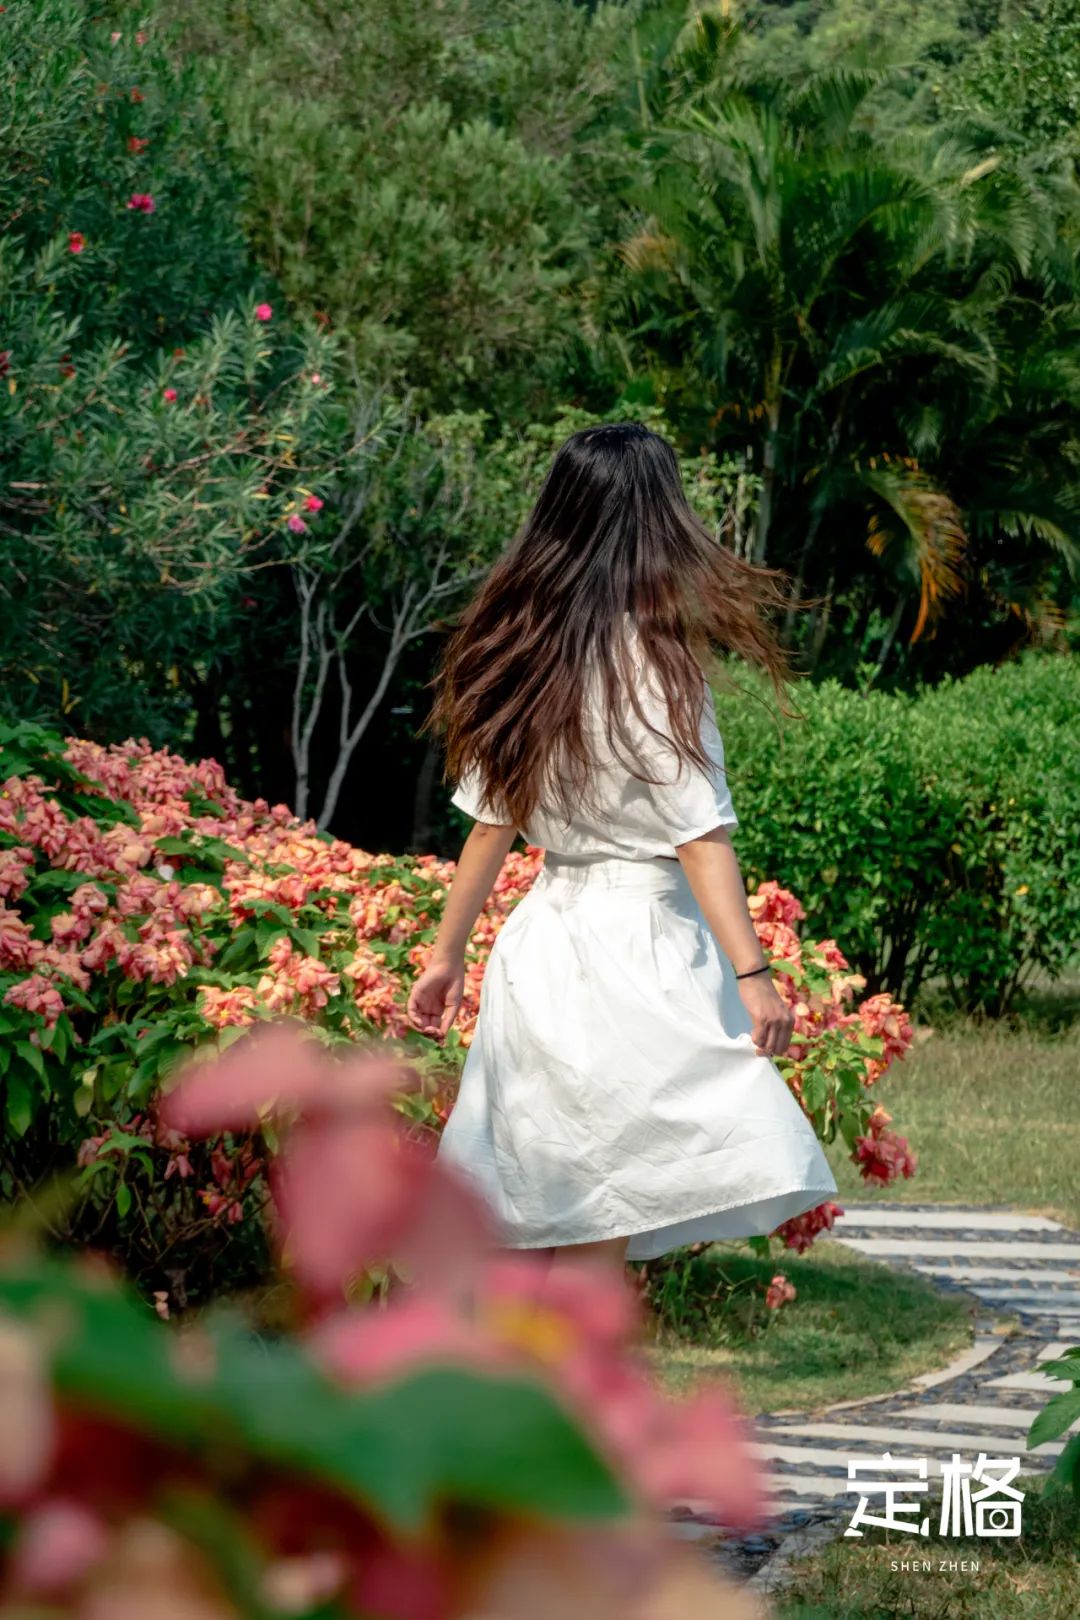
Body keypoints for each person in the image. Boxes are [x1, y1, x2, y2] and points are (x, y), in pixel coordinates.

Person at [406, 422, 837, 1277]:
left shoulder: (525, 651)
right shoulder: (659, 661)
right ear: (655, 520)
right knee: (604, 1211)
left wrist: (446, 955)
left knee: (540, 1204)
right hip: (638, 953)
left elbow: (492, 827)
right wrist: (756, 977)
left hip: (540, 946)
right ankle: (554, 1402)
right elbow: (699, 836)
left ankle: (498, 1394)